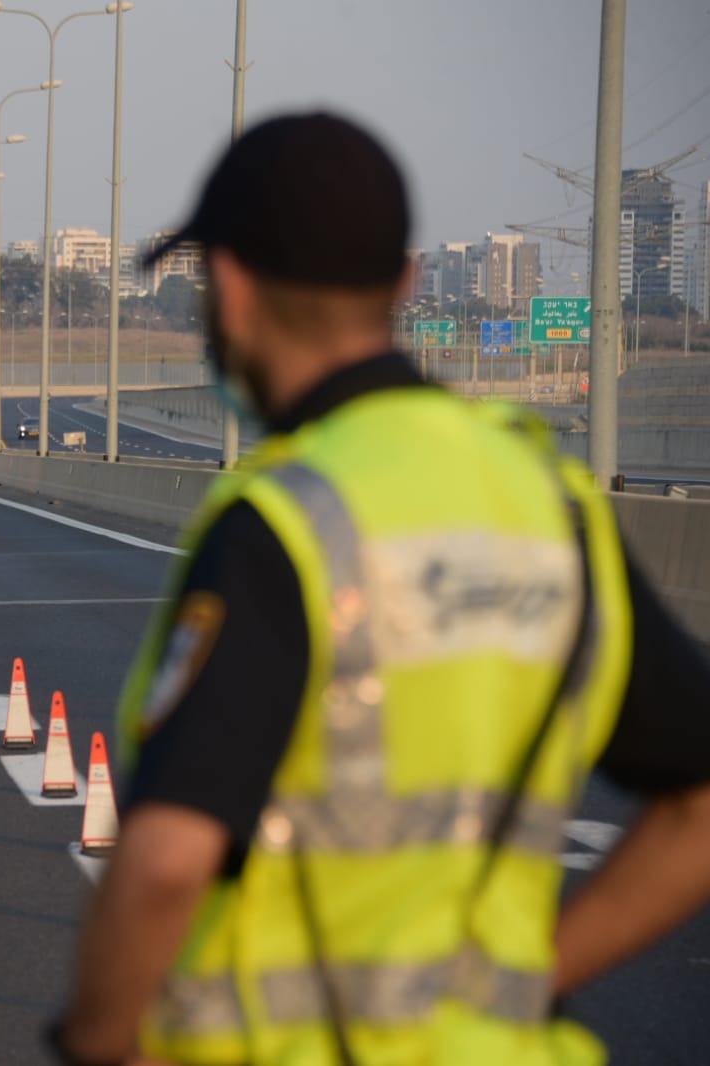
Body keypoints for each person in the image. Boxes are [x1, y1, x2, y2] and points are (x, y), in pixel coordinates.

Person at [50, 113, 710, 1066]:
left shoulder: (286, 520)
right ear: (403, 284)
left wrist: (98, 1043)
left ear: (228, 288)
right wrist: (524, 984)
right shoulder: (548, 506)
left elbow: (162, 864)